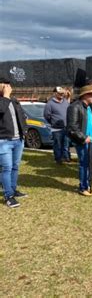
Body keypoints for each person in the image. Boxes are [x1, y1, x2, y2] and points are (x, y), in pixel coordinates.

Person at [66, 85, 92, 196]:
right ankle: (83, 187)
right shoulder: (74, 107)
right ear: (85, 95)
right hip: (83, 141)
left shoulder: (89, 106)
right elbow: (72, 128)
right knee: (84, 163)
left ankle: (88, 183)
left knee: (89, 163)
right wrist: (84, 137)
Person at [0, 78, 28, 208]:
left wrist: (25, 130)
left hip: (18, 140)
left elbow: (22, 115)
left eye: (8, 84)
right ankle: (8, 196)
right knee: (6, 168)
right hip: (4, 140)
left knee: (15, 166)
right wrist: (5, 96)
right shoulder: (4, 100)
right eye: (4, 85)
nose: (7, 87)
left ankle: (13, 189)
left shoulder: (14, 100)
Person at [44, 86, 71, 164]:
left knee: (66, 144)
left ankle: (66, 158)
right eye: (59, 93)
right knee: (58, 145)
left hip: (66, 127)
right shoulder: (50, 104)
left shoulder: (65, 102)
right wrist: (53, 122)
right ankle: (58, 159)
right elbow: (47, 116)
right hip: (56, 129)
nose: (61, 95)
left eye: (62, 93)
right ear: (55, 93)